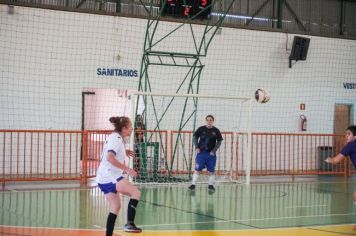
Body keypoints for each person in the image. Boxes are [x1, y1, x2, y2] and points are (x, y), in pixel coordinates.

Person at [96, 116, 142, 235]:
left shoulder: (115, 137)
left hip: (103, 178)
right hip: (110, 176)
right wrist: (127, 169)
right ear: (124, 128)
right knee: (136, 193)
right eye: (130, 127)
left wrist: (123, 151)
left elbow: (111, 152)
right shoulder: (116, 138)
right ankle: (129, 224)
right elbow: (110, 158)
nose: (132, 129)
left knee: (115, 206)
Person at [325, 125, 356, 229]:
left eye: (349, 134)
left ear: (355, 136)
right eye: (345, 134)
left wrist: (330, 160)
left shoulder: (350, 145)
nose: (346, 136)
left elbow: (336, 160)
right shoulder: (350, 145)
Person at [188, 115, 223, 192]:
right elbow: (195, 137)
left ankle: (210, 185)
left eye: (210, 120)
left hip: (211, 155)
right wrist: (196, 147)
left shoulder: (216, 130)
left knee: (211, 171)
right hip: (201, 154)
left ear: (213, 121)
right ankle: (193, 185)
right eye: (207, 120)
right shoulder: (201, 129)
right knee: (197, 169)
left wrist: (214, 150)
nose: (209, 121)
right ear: (205, 121)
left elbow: (219, 141)